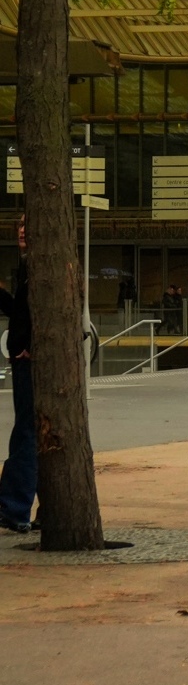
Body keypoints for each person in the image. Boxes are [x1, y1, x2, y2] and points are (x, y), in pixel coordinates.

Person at [0, 218, 35, 533]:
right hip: (24, 356)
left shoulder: (40, 266)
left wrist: (29, 347)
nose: (22, 230)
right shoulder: (27, 265)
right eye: (19, 226)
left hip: (30, 360)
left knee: (27, 432)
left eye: (28, 224)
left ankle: (14, 507)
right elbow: (22, 311)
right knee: (30, 431)